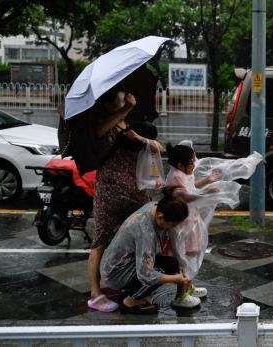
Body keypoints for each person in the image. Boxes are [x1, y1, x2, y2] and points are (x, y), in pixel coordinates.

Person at [86, 87, 165, 312]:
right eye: (122, 99)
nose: (127, 100)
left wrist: (138, 136)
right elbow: (101, 132)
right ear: (111, 103)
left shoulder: (126, 125)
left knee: (140, 238)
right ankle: (95, 293)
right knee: (100, 241)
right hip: (110, 193)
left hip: (135, 190)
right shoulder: (103, 125)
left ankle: (132, 285)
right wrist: (128, 108)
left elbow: (157, 148)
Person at [100, 190, 194, 314]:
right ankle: (130, 301)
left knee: (172, 263)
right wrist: (175, 279)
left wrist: (181, 264)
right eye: (172, 225)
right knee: (165, 268)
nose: (173, 228)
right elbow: (146, 275)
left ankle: (135, 290)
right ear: (160, 216)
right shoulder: (146, 231)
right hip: (116, 275)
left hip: (124, 262)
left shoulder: (156, 206)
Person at [164, 142, 221, 306]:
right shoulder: (175, 177)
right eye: (191, 162)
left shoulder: (183, 173)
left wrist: (207, 180)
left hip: (191, 222)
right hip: (182, 226)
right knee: (184, 258)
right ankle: (180, 296)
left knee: (191, 255)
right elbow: (185, 196)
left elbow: (192, 186)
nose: (194, 164)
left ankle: (188, 287)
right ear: (181, 165)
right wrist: (205, 193)